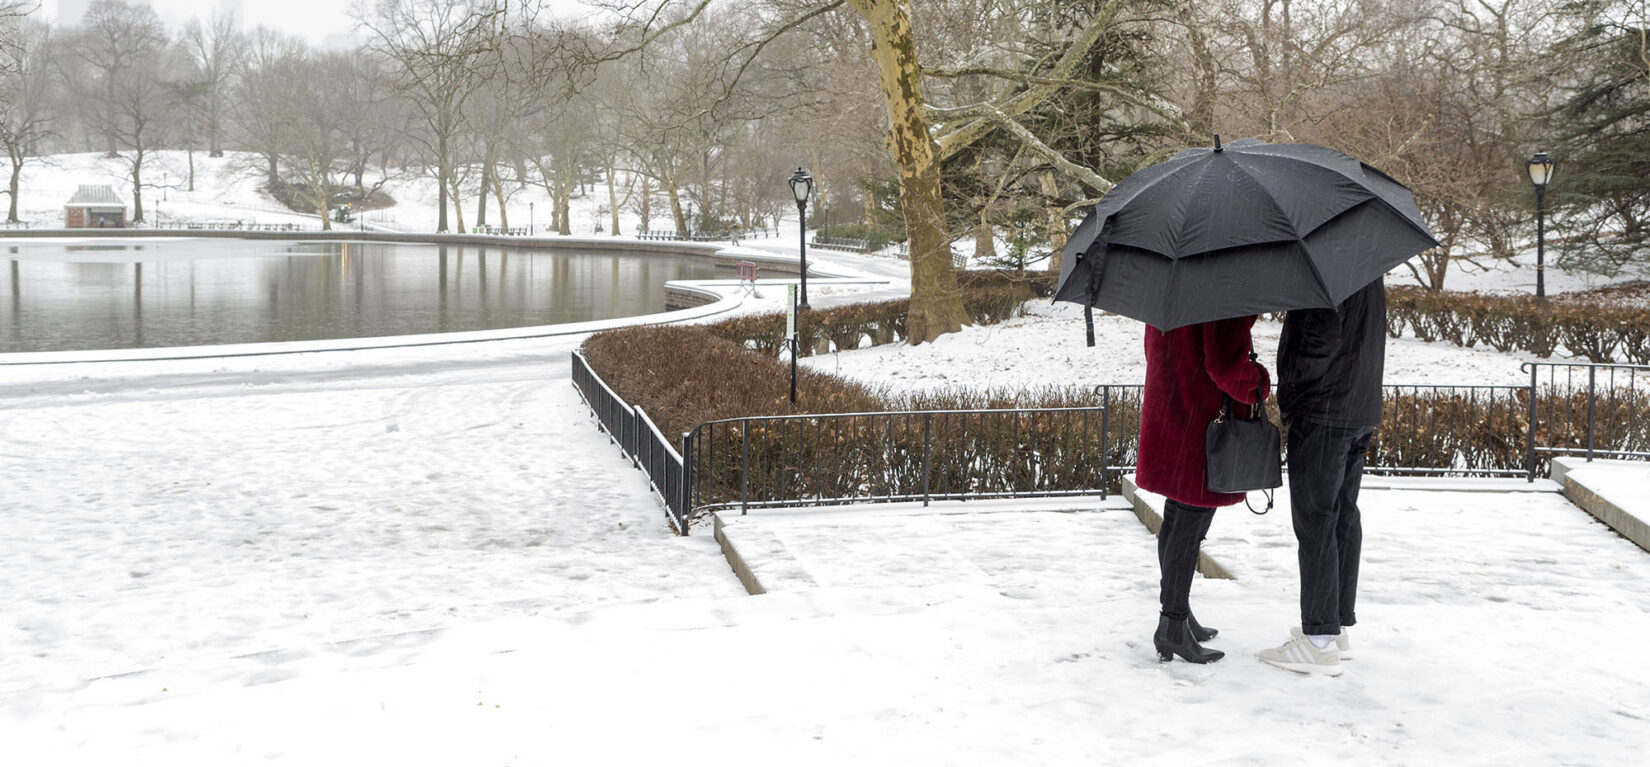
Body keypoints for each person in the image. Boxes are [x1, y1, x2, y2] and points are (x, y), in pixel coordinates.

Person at [1259, 278, 1386, 677]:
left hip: (1324, 411)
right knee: (1342, 516)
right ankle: (1334, 624)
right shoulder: (1365, 267)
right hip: (1358, 406)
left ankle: (1318, 641)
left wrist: (1290, 392)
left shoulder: (1327, 272)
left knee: (1316, 522)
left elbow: (1318, 341)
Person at [1136, 316, 1271, 664]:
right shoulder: (1223, 290)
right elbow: (1226, 366)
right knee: (1190, 524)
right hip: (1201, 421)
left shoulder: (1175, 287)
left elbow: (1156, 349)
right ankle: (1173, 623)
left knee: (1177, 518)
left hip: (1172, 409)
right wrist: (1259, 381)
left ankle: (1177, 613)